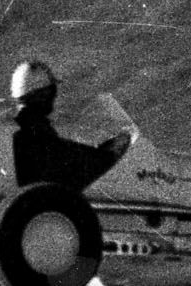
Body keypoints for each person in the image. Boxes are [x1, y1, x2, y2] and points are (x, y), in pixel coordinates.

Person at [7, 58, 128, 189]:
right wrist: (105, 156)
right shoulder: (35, 130)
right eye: (51, 91)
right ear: (42, 95)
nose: (53, 97)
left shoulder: (23, 127)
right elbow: (64, 155)